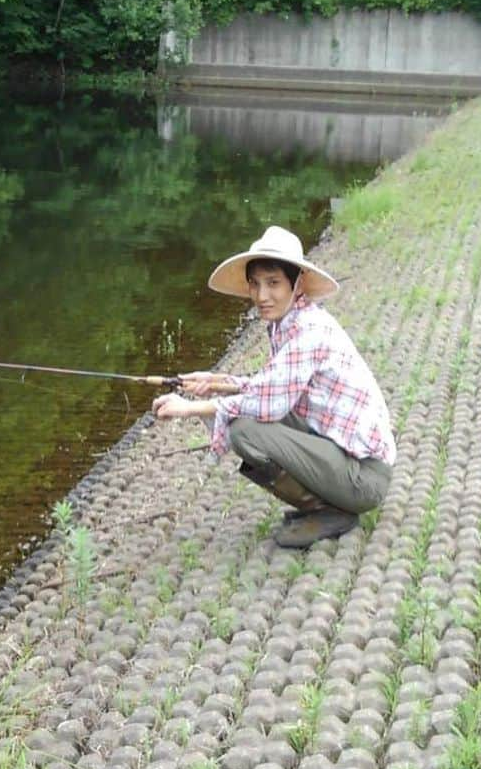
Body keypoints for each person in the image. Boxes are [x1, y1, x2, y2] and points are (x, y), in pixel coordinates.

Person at [152, 225, 395, 547]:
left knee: (245, 432)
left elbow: (270, 404)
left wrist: (189, 408)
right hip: (344, 456)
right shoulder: (288, 322)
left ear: (297, 284)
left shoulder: (308, 329)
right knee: (249, 416)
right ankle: (329, 506)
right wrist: (216, 383)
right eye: (255, 284)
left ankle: (331, 510)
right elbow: (272, 385)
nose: (261, 296)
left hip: (364, 476)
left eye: (273, 283)